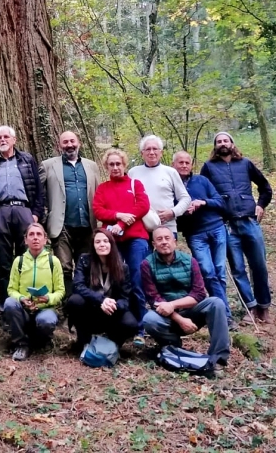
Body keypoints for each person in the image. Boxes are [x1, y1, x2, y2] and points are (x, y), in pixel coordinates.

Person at [201, 132, 273, 323]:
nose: (222, 144)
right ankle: (250, 307)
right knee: (238, 269)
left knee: (259, 265)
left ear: (232, 143)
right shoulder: (208, 167)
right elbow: (203, 192)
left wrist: (261, 205)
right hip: (227, 225)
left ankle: (263, 307)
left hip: (250, 221)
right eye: (219, 141)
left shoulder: (246, 163)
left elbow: (265, 187)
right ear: (215, 146)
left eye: (226, 140)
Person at [142, 226, 230, 373]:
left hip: (191, 312)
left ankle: (218, 357)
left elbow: (199, 294)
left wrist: (172, 304)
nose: (164, 242)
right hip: (166, 317)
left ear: (175, 242)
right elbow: (154, 299)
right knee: (149, 319)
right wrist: (179, 319)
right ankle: (173, 345)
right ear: (154, 244)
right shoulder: (147, 264)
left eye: (167, 238)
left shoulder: (190, 261)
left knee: (216, 303)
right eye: (159, 239)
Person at [0, 126, 44, 307]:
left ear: (14, 140)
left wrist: (36, 215)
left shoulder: (27, 160)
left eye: (6, 137)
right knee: (5, 261)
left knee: (25, 258)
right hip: (0, 212)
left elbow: (39, 190)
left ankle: (27, 300)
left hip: (24, 211)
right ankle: (6, 303)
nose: (3, 140)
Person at [92, 148, 150, 345]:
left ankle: (140, 329)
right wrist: (118, 215)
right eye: (111, 164)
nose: (115, 167)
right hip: (112, 241)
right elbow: (98, 210)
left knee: (136, 280)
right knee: (114, 281)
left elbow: (143, 206)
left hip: (136, 238)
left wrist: (122, 224)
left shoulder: (135, 184)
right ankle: (116, 323)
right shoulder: (103, 188)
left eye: (118, 164)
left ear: (124, 165)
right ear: (106, 167)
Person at [172, 151, 235, 329]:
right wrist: (182, 212)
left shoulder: (202, 180)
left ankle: (225, 315)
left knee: (220, 271)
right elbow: (170, 215)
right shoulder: (171, 185)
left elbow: (220, 202)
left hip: (216, 228)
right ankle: (222, 312)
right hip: (195, 234)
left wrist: (203, 202)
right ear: (173, 164)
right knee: (208, 272)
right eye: (180, 162)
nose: (184, 165)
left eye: (187, 162)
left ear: (191, 164)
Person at [41, 131, 99, 297]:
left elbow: (97, 192)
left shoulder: (91, 166)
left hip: (87, 225)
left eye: (72, 141)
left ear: (78, 143)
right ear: (59, 145)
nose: (69, 145)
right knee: (63, 266)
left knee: (86, 265)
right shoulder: (48, 165)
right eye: (65, 142)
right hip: (62, 225)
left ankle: (84, 302)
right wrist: (45, 218)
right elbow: (39, 195)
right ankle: (68, 303)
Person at [65, 229, 138, 348]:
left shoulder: (122, 267)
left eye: (105, 241)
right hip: (90, 308)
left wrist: (113, 305)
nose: (102, 244)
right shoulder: (85, 260)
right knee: (75, 301)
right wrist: (101, 300)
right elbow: (78, 286)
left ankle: (111, 344)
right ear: (93, 245)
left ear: (111, 244)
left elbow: (125, 299)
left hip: (111, 311)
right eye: (98, 242)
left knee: (131, 324)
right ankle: (84, 341)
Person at [3, 223, 64, 361]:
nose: (35, 238)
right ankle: (21, 344)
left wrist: (48, 298)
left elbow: (60, 291)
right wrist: (22, 299)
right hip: (23, 310)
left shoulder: (53, 262)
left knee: (47, 320)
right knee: (9, 303)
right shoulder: (19, 261)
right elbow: (11, 289)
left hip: (44, 310)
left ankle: (39, 342)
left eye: (39, 234)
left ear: (45, 238)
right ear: (25, 240)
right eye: (31, 234)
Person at [128, 135, 191, 235]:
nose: (152, 152)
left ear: (161, 152)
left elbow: (185, 198)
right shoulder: (133, 172)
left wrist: (173, 212)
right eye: (148, 149)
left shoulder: (170, 172)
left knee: (167, 251)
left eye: (155, 149)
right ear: (142, 153)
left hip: (167, 226)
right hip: (141, 227)